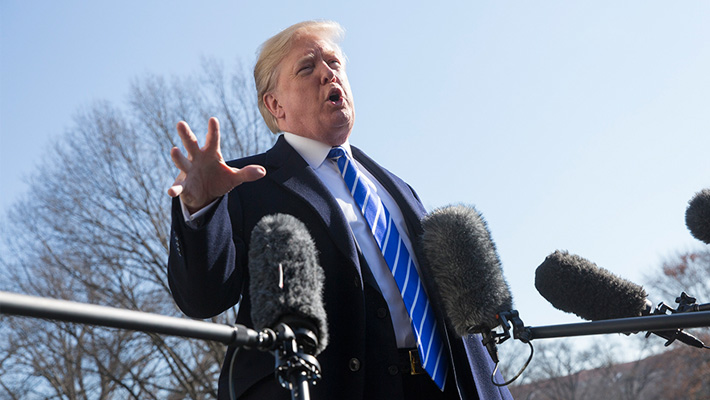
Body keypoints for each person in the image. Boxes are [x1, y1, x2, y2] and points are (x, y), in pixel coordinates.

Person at [167, 20, 512, 400]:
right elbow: (203, 299)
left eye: (334, 63)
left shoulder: (396, 186)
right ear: (275, 105)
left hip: (445, 385)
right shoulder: (245, 182)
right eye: (307, 68)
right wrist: (201, 209)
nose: (327, 73)